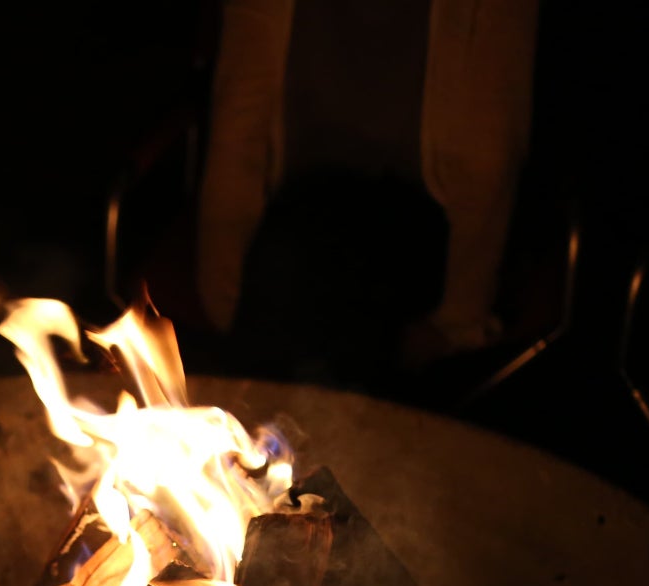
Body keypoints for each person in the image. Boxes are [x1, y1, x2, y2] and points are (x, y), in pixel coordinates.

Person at [194, 0, 541, 381]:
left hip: (425, 213)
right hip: (301, 206)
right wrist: (226, 298)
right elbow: (238, 131)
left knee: (333, 302)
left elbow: (490, 153)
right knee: (293, 271)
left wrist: (454, 325)